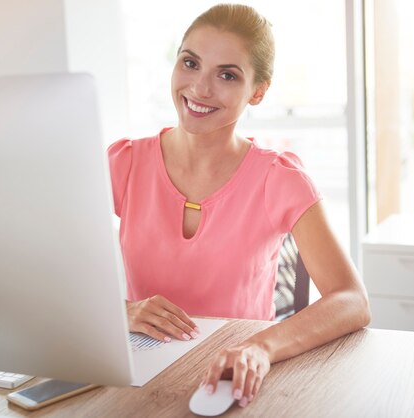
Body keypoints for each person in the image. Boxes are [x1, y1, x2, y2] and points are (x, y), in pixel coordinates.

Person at [108, 3, 370, 409]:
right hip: (142, 379)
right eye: (190, 63)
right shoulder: (122, 164)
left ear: (258, 91)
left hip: (236, 381)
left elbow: (352, 300)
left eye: (227, 75)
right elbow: (44, 264)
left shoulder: (279, 178)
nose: (200, 88)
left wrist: (261, 348)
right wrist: (117, 311)